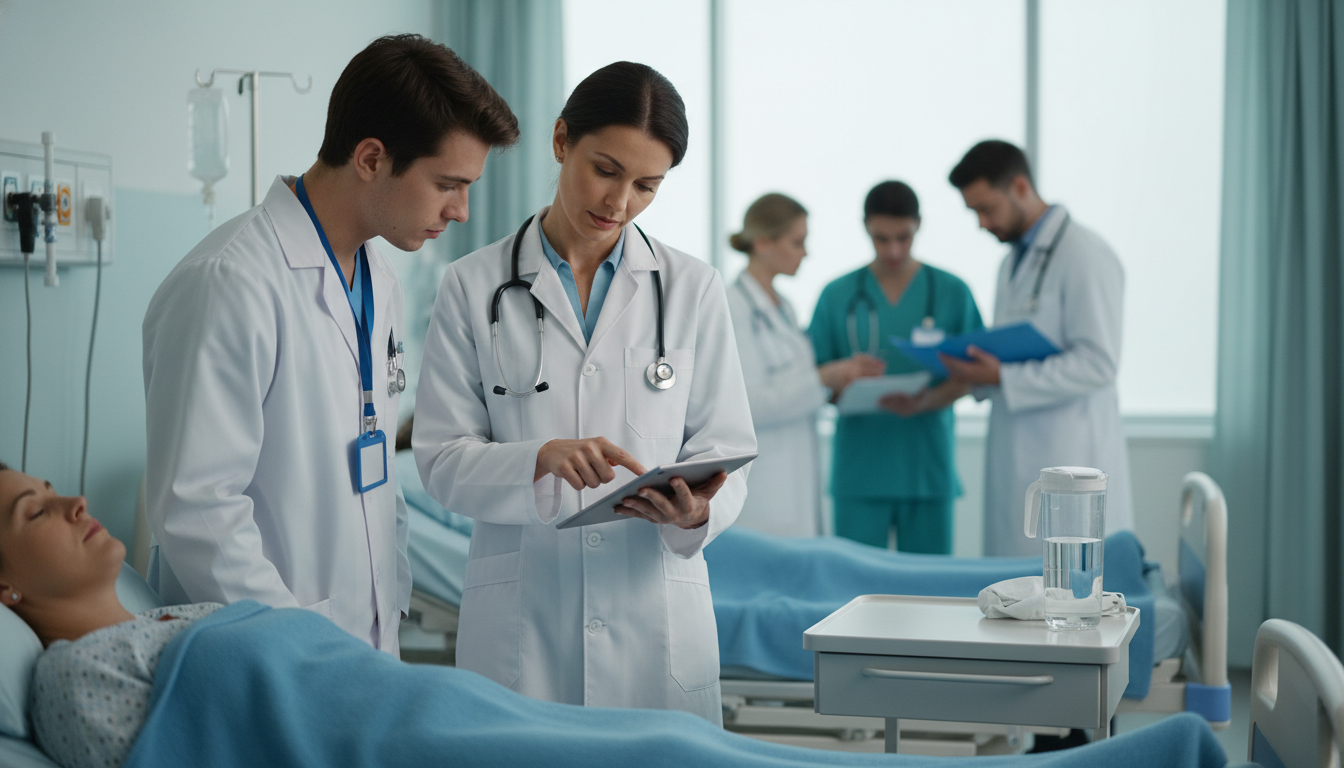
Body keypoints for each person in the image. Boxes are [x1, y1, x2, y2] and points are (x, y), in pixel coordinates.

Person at [141, 35, 520, 654]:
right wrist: (301, 646)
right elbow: (196, 510)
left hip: (360, 642)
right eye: (448, 184)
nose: (463, 212)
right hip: (269, 653)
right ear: (371, 158)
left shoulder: (380, 276)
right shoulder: (230, 283)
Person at [413, 62, 755, 724]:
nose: (620, 202)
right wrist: (536, 458)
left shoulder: (693, 288)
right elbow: (441, 460)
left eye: (647, 186)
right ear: (561, 140)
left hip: (653, 617)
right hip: (524, 625)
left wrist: (696, 512)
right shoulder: (471, 285)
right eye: (605, 169)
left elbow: (728, 448)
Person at [946, 140, 1133, 557]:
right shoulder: (1011, 263)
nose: (981, 223)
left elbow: (1099, 364)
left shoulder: (1084, 254)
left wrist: (1002, 376)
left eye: (986, 208)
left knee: (1069, 592)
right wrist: (977, 371)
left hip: (1072, 456)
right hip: (1018, 456)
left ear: (1020, 187)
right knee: (1015, 588)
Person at [808, 181, 983, 554]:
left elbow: (975, 372)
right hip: (860, 470)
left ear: (918, 224)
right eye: (881, 238)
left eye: (903, 237)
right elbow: (813, 378)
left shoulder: (951, 291)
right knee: (851, 590)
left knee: (928, 595)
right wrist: (844, 380)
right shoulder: (837, 295)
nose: (893, 249)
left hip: (925, 466)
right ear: (865, 227)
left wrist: (926, 400)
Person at [726, 193, 883, 537]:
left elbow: (794, 384)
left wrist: (834, 379)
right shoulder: (731, 308)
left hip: (795, 473)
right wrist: (824, 376)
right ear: (764, 242)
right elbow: (747, 403)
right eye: (798, 242)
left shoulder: (784, 308)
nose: (805, 252)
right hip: (764, 486)